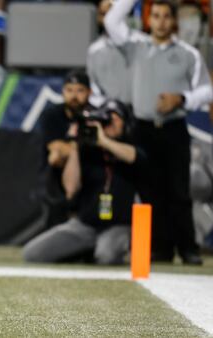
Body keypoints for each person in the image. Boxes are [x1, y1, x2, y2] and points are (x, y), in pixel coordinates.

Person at [105, 0, 213, 265]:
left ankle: (188, 249)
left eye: (166, 16)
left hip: (174, 128)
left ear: (173, 21)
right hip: (142, 129)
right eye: (156, 16)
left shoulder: (188, 53)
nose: (161, 22)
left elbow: (207, 90)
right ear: (148, 20)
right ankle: (160, 249)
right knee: (149, 192)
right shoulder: (135, 46)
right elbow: (111, 21)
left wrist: (182, 99)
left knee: (179, 190)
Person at [24, 100, 144, 265]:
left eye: (116, 119)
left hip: (120, 225)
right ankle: (84, 252)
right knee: (33, 254)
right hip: (85, 225)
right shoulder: (89, 151)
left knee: (106, 256)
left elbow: (134, 157)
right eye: (107, 119)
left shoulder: (133, 146)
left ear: (126, 123)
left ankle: (94, 252)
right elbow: (71, 189)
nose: (110, 123)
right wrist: (74, 145)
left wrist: (103, 141)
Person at [37, 70, 92, 227]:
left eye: (80, 90)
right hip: (56, 180)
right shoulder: (52, 114)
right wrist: (78, 147)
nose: (74, 96)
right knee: (54, 158)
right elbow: (55, 148)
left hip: (89, 175)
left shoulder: (95, 115)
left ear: (89, 92)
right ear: (62, 91)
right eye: (69, 90)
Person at [87, 0, 135, 108]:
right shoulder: (94, 50)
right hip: (108, 110)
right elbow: (94, 86)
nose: (107, 18)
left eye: (111, 13)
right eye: (103, 14)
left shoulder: (138, 43)